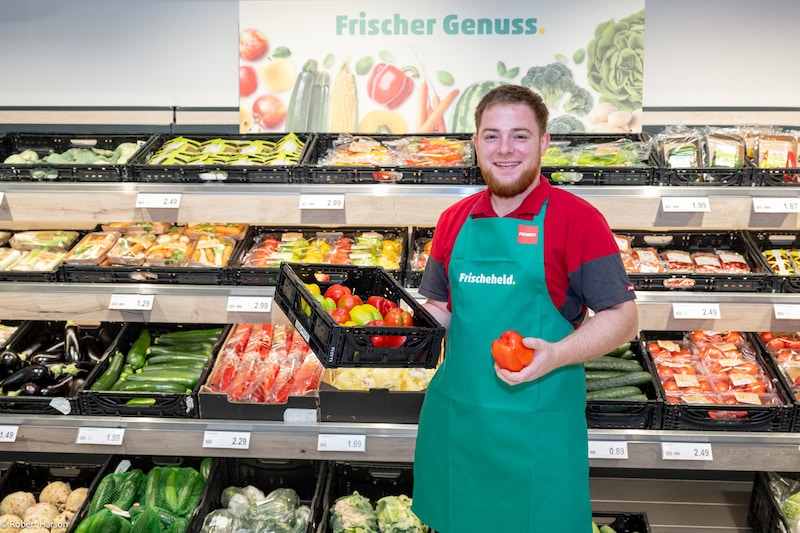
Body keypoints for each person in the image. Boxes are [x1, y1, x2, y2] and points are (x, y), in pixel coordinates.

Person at [410, 84, 639, 532]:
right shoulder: (453, 220)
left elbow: (622, 317)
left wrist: (555, 354)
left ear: (544, 143)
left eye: (520, 135)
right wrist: (389, 333)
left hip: (538, 427)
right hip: (461, 421)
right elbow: (439, 308)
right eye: (492, 135)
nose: (505, 149)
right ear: (475, 143)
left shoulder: (578, 220)